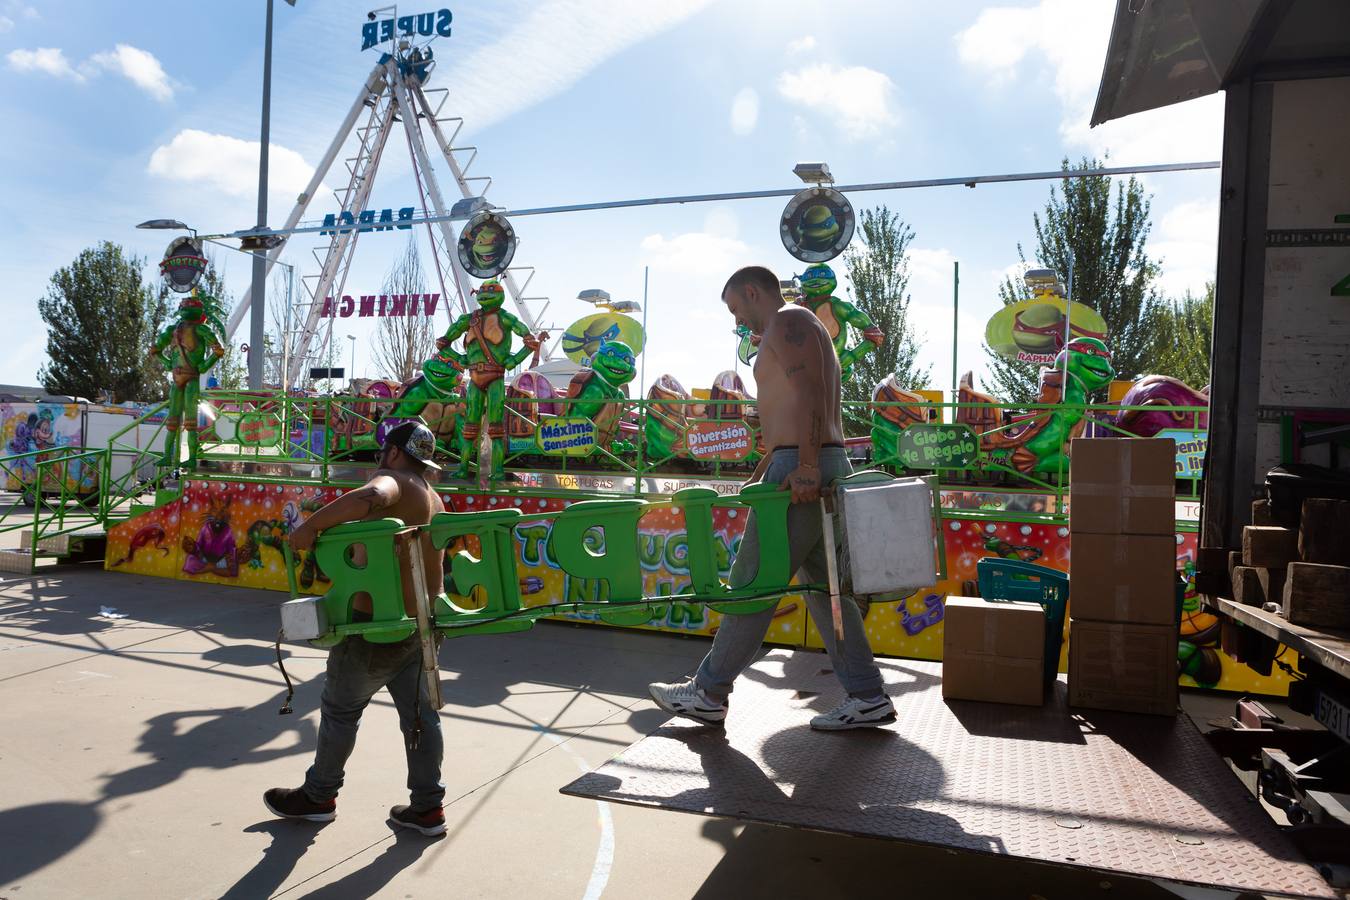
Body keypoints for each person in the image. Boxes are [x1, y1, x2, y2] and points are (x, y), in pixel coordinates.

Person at [649, 266, 895, 731]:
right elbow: (787, 409)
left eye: (737, 309)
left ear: (752, 291)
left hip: (806, 465)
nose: (739, 321)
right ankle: (868, 695)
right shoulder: (790, 326)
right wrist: (767, 470)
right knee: (827, 594)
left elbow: (812, 392)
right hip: (805, 461)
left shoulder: (789, 320)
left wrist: (802, 467)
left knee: (753, 584)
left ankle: (708, 692)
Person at [263, 420, 450, 835]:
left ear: (397, 452)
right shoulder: (434, 497)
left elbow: (371, 496)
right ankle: (427, 808)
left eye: (385, 450)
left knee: (340, 712)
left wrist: (310, 526)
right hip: (420, 626)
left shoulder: (395, 479)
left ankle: (317, 797)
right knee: (421, 719)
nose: (381, 458)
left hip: (375, 629)